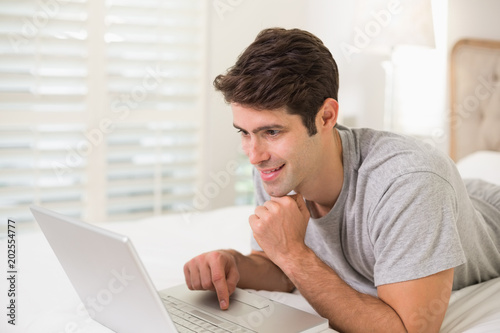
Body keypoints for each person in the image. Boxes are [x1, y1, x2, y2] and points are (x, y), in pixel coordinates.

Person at [183, 27, 500, 332]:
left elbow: (405, 329)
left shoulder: (410, 184)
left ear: (326, 117)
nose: (254, 155)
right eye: (245, 133)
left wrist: (296, 255)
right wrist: (233, 265)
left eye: (271, 132)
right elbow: (281, 269)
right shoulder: (275, 165)